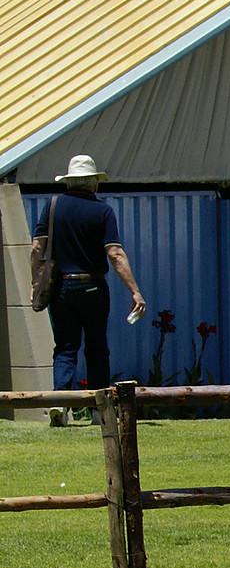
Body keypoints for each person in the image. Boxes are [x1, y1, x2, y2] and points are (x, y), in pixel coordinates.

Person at [30, 155, 146, 410]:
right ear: (94, 183)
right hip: (93, 286)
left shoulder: (52, 206)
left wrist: (34, 280)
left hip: (61, 287)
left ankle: (60, 404)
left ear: (69, 182)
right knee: (96, 347)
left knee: (65, 347)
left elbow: (37, 247)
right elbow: (114, 253)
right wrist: (135, 291)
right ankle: (99, 410)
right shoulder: (102, 210)